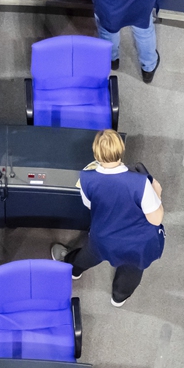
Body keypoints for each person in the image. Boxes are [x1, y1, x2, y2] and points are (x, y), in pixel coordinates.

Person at [50, 130, 164, 306]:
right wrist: (157, 192)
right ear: (121, 149)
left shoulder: (87, 178)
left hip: (103, 238)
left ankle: (73, 270)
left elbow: (89, 204)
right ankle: (119, 296)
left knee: (89, 255)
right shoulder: (140, 183)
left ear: (96, 154)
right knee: (131, 271)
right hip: (136, 244)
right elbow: (155, 219)